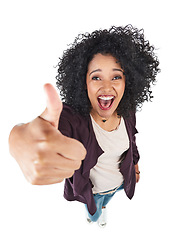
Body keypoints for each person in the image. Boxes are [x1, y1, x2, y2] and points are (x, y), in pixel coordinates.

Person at [9, 25, 160, 227]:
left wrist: (135, 165)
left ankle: (103, 208)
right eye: (96, 77)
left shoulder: (128, 111)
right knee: (95, 209)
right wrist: (18, 139)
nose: (107, 87)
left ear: (128, 82)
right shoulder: (75, 119)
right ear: (84, 83)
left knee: (108, 200)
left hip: (120, 183)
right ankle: (94, 216)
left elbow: (132, 140)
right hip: (93, 191)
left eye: (116, 76)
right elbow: (43, 133)